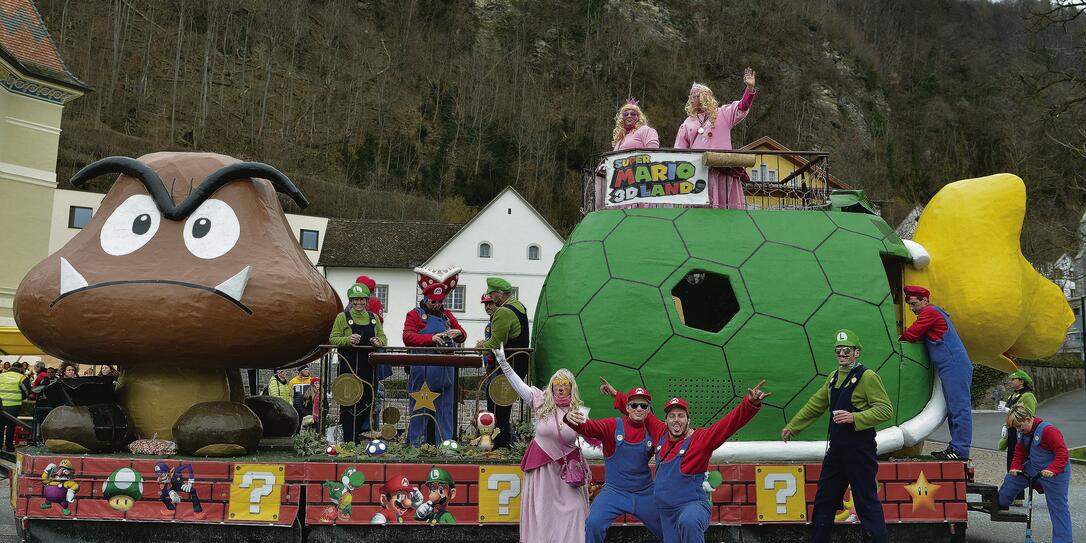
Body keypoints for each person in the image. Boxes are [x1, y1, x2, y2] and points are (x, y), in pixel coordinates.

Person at [782, 329, 893, 543]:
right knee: (825, 499)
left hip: (860, 450)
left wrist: (855, 417)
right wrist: (793, 426)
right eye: (838, 350)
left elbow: (885, 410)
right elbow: (816, 404)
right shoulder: (833, 377)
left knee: (866, 502)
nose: (842, 354)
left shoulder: (867, 377)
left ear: (856, 352)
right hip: (837, 451)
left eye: (846, 350)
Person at [492, 347, 588, 542]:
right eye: (557, 383)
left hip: (567, 472)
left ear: (572, 387)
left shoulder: (581, 412)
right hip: (542, 471)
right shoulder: (540, 402)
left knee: (575, 510)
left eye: (565, 384)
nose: (560, 387)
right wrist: (503, 362)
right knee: (543, 516)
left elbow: (591, 440)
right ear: (552, 386)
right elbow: (518, 385)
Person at [564, 383, 663, 543]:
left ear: (648, 410)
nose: (639, 408)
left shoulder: (654, 431)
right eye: (634, 405)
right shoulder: (612, 426)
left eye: (643, 405)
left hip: (645, 493)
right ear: (627, 407)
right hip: (614, 492)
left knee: (668, 529)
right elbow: (589, 428)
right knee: (593, 524)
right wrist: (569, 419)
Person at [899, 285, 972, 460]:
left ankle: (960, 450)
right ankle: (956, 448)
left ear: (925, 300)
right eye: (910, 305)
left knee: (959, 408)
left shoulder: (930, 313)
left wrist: (897, 340)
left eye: (914, 303)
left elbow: (911, 334)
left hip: (953, 365)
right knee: (954, 408)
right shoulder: (933, 312)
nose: (912, 308)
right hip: (951, 365)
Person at [674, 68, 758, 209]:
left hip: (723, 171)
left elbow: (742, 107)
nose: (692, 99)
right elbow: (679, 150)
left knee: (726, 209)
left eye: (696, 96)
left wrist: (749, 88)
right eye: (691, 97)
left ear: (705, 97)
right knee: (701, 211)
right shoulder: (688, 122)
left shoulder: (723, 113)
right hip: (699, 172)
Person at [402, 270, 466, 446]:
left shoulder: (447, 315)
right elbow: (407, 337)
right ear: (425, 299)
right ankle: (415, 444)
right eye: (433, 301)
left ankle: (445, 444)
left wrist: (458, 332)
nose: (437, 305)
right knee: (419, 409)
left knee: (446, 410)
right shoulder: (414, 314)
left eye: (440, 302)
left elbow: (463, 334)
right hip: (423, 371)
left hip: (446, 372)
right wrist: (430, 339)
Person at [997, 405, 1072, 543]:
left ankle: (1063, 540)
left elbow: (1062, 453)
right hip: (1035, 467)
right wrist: (1015, 467)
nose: (1019, 430)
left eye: (1020, 426)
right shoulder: (1023, 432)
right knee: (1012, 479)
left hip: (1055, 473)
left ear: (1027, 419)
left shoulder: (1049, 431)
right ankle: (1001, 502)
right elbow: (1020, 450)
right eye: (1016, 428)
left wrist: (1053, 470)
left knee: (1058, 509)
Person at [328, 283, 388, 443]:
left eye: (361, 299)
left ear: (366, 300)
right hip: (348, 368)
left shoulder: (374, 318)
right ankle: (349, 442)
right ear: (351, 301)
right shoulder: (342, 317)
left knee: (367, 403)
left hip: (368, 369)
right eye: (354, 300)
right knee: (348, 405)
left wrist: (378, 341)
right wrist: (347, 340)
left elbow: (384, 338)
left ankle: (360, 438)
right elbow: (333, 338)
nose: (358, 303)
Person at [476, 277, 530, 448]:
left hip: (507, 364)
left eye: (492, 294)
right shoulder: (519, 306)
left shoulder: (503, 311)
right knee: (504, 405)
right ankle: (503, 442)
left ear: (499, 293)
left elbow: (495, 343)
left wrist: (480, 346)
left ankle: (501, 445)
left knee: (498, 406)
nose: (490, 298)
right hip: (518, 363)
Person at [998, 369, 1036, 502]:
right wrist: (1005, 424)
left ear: (1021, 381)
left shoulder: (1028, 396)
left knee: (1018, 461)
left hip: (1021, 431)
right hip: (1012, 430)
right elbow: (1010, 415)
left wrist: (1008, 410)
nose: (1011, 381)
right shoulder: (1012, 396)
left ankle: (1018, 496)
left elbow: (1030, 414)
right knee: (1010, 461)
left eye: (1014, 379)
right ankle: (1011, 494)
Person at [0, 361, 29, 451]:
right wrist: (20, 397)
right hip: (13, 406)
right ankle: (9, 447)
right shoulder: (21, 377)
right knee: (11, 427)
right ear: (20, 368)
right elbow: (27, 392)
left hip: (0, 405)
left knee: (0, 426)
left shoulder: (1, 375)